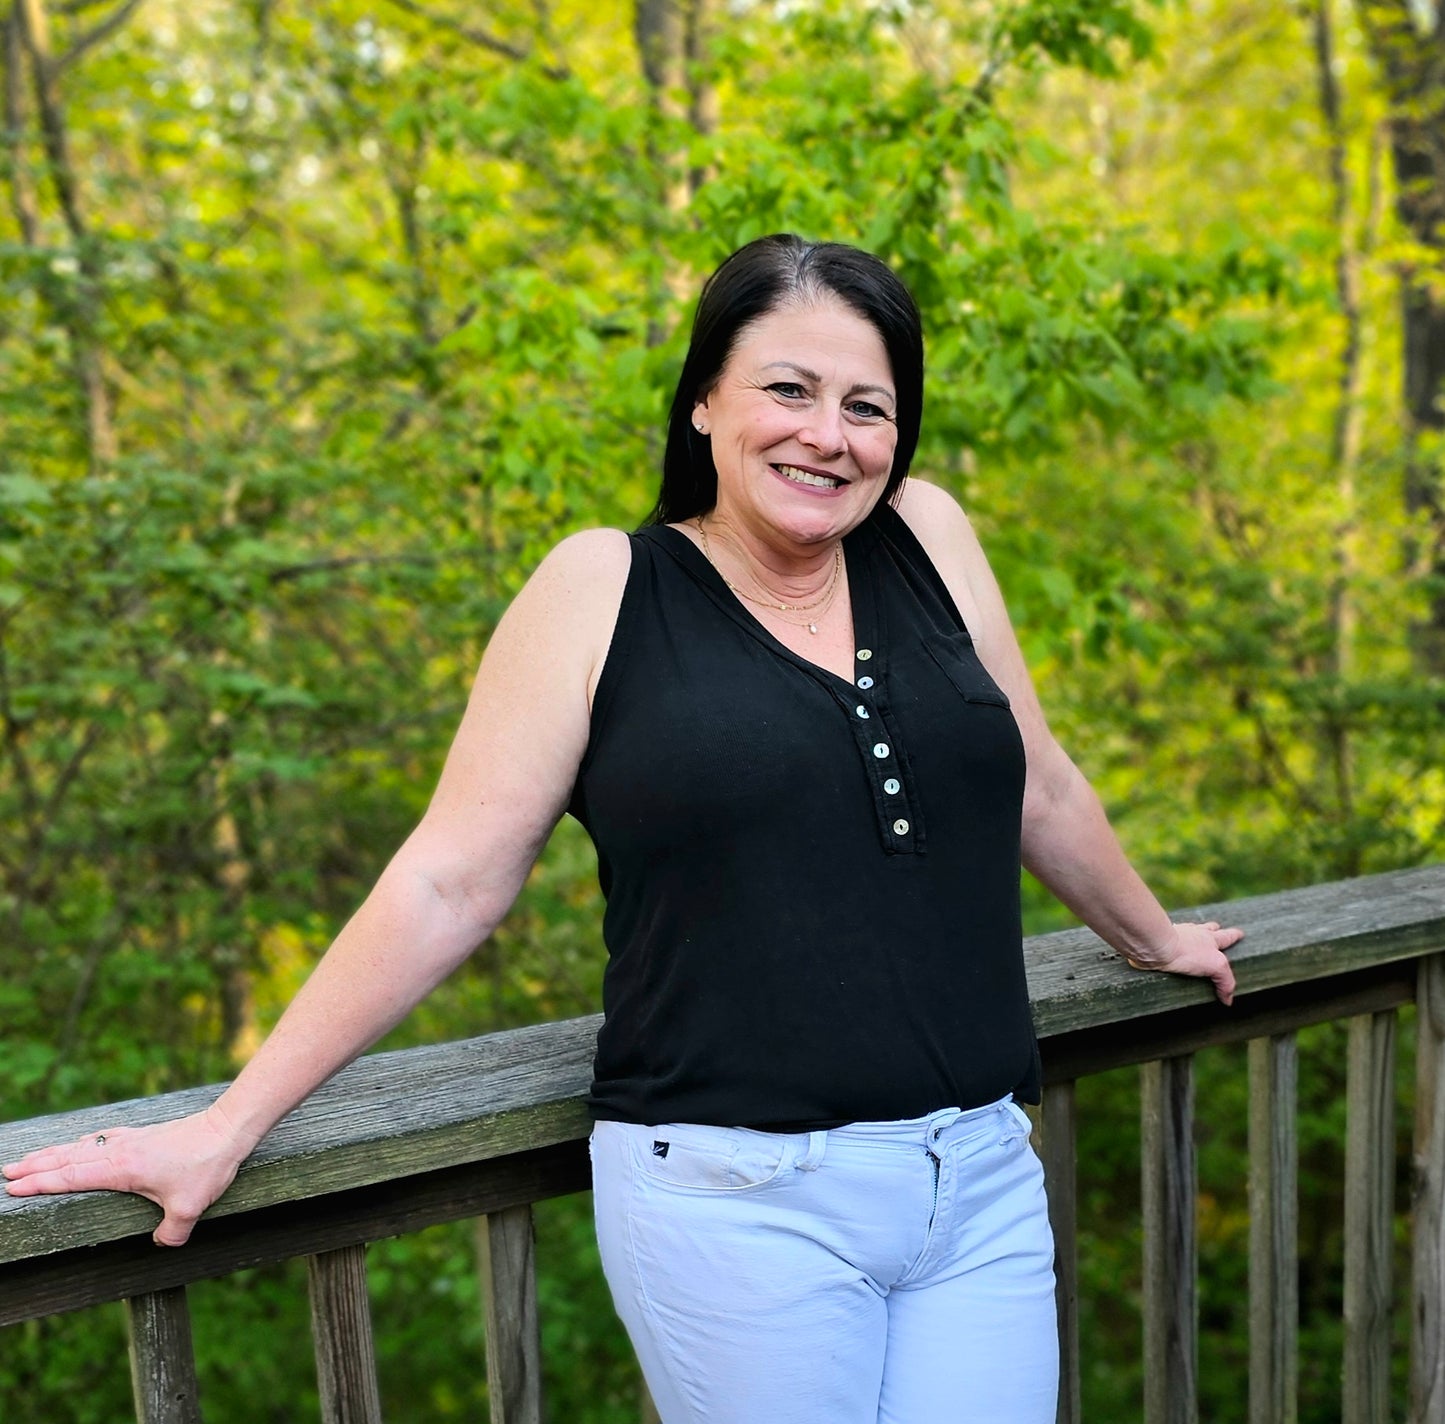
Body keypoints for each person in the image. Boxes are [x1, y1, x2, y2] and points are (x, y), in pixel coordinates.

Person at [4, 234, 1240, 1423]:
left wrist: (1152, 937)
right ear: (705, 399)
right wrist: (226, 1125)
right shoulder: (603, 586)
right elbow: (449, 880)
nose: (829, 434)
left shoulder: (929, 534)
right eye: (789, 388)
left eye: (867, 405)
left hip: (973, 1177)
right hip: (737, 1199)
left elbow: (1040, 786)